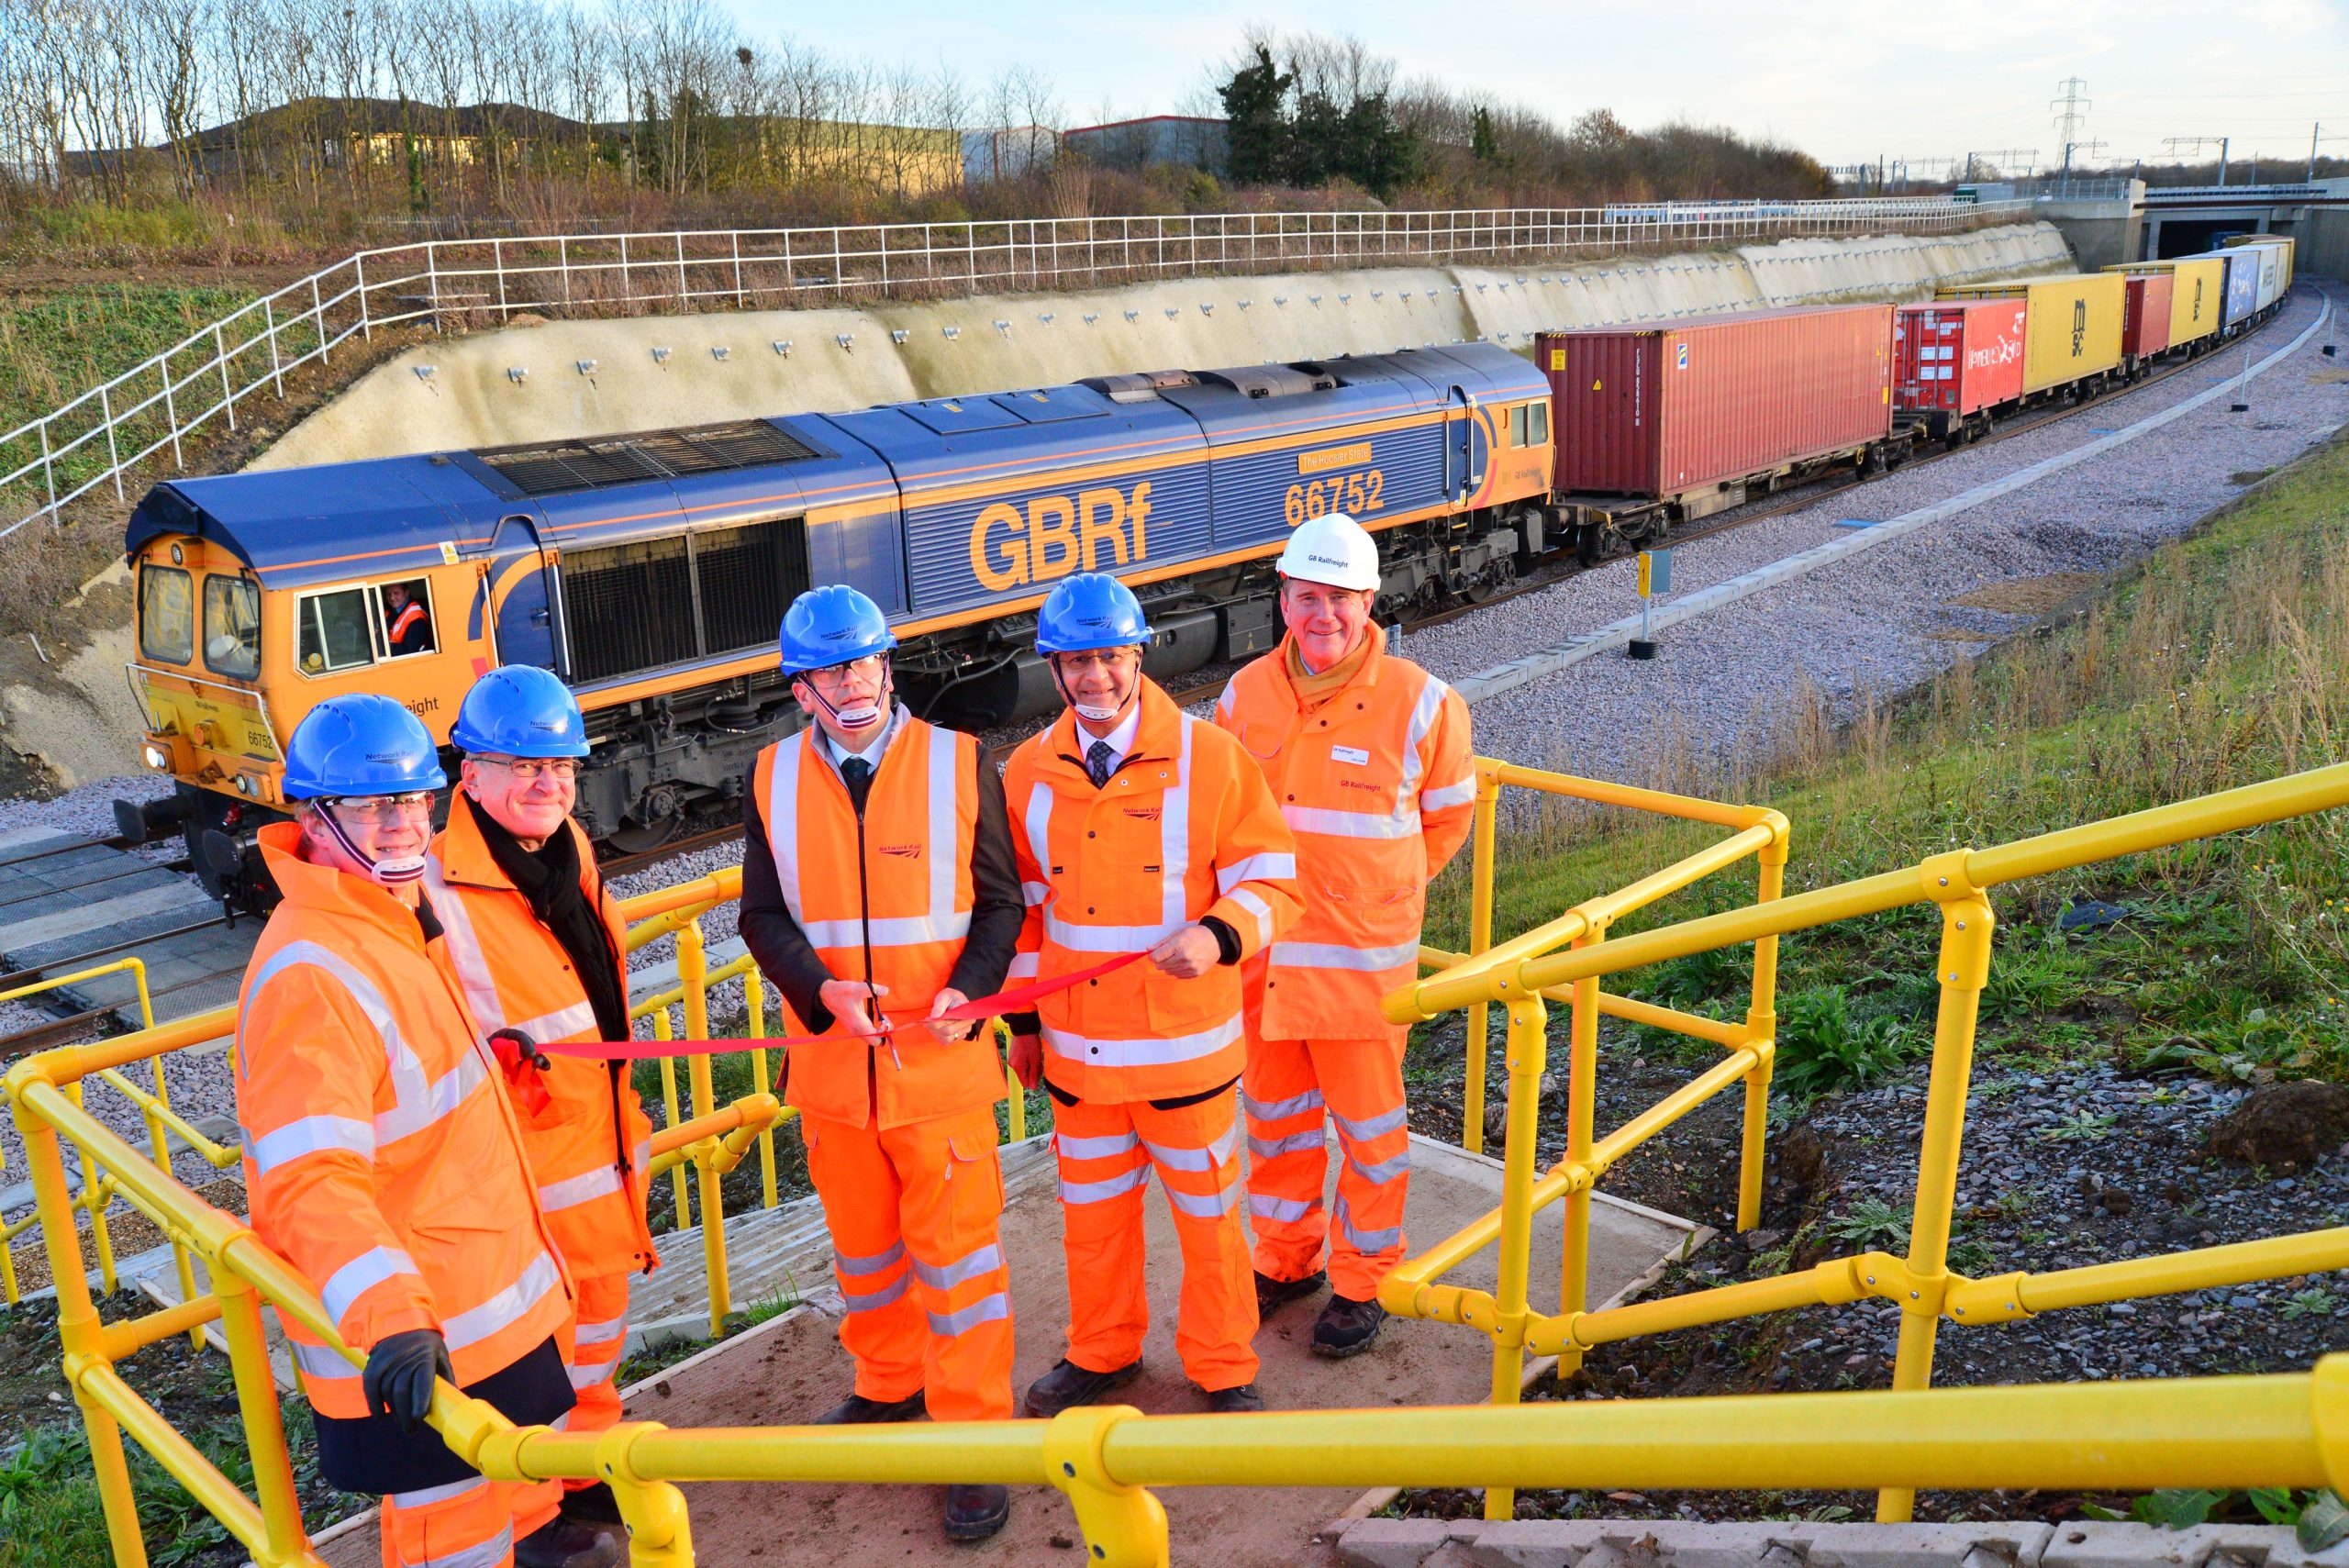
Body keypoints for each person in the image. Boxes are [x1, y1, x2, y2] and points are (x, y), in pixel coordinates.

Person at [232, 694, 616, 1568]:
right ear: (312, 816)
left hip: (485, 1304)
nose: (402, 823)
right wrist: (392, 1316)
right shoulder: (314, 970)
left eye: (412, 801)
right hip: (431, 1334)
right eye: (372, 805)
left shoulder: (390, 918)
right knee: (454, 1541)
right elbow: (307, 1177)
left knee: (504, 1509)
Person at [736, 584, 1026, 1542]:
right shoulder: (770, 777)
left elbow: (1000, 903)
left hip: (939, 1073)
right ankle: (888, 1384)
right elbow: (761, 918)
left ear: (887, 667)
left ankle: (978, 1443)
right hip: (833, 1075)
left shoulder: (958, 761)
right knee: (866, 1258)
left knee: (959, 1267)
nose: (849, 683)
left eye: (862, 662)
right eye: (827, 669)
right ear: (800, 688)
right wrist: (822, 990)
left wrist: (971, 987)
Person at [1003, 573, 1301, 1418]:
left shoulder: (1212, 759)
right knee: (1092, 1221)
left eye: (1108, 656)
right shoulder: (1025, 775)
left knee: (1210, 1225)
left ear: (1138, 654)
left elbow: (1275, 881)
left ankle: (1221, 1364)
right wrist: (1024, 1021)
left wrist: (1215, 935)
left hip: (1186, 1059)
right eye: (1075, 661)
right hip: (1079, 1063)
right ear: (1052, 670)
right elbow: (1024, 918)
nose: (1094, 676)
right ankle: (1102, 1353)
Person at [1214, 514, 1475, 1358]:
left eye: (1338, 597)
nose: (1320, 612)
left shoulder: (1424, 702)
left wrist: (1372, 899)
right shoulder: (1244, 693)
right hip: (1265, 964)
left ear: (1369, 600)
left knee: (1369, 1131)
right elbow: (1223, 818)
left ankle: (1364, 1278)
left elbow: (1445, 826)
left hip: (1362, 969)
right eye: (1305, 595)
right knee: (1277, 1122)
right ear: (1282, 598)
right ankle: (1286, 1261)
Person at [424, 665, 654, 1537]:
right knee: (522, 1346)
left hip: (595, 1142)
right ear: (470, 775)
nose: (546, 783)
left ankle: (586, 1461)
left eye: (559, 766)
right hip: (518, 1163)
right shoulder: (434, 886)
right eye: (522, 766)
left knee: (597, 1324)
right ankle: (530, 1510)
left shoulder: (570, 849)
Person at [384, 583, 432, 656]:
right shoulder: (388, 612)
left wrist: (384, 648)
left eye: (396, 593)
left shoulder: (417, 618)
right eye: (388, 594)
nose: (392, 598)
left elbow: (408, 652)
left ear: (407, 593)